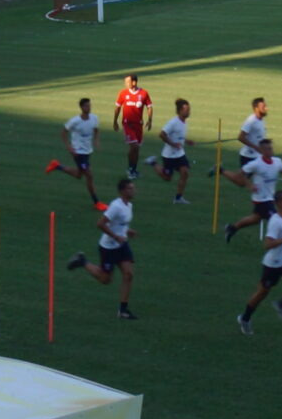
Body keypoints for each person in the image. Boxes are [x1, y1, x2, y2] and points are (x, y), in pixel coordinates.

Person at [64, 176, 140, 320]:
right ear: (122, 191)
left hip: (122, 245)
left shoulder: (129, 205)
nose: (134, 190)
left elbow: (120, 224)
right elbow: (100, 224)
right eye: (130, 188)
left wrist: (127, 231)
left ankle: (123, 310)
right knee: (105, 279)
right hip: (108, 247)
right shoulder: (116, 206)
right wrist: (116, 236)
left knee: (128, 274)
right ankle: (82, 261)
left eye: (133, 188)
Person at [239, 190, 282, 331]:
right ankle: (245, 318)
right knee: (262, 293)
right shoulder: (275, 222)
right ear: (279, 203)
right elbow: (267, 244)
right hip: (273, 265)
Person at [224, 142, 282, 244]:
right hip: (261, 199)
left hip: (270, 197)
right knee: (275, 218)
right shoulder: (256, 164)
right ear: (263, 151)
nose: (271, 150)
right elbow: (241, 173)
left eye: (271, 148)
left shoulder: (277, 161)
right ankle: (281, 239)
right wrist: (249, 185)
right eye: (268, 149)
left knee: (255, 219)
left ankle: (232, 228)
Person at [47, 98, 102, 202]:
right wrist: (69, 147)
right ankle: (96, 202)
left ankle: (57, 166)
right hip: (78, 152)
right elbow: (63, 132)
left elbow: (96, 130)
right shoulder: (75, 121)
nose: (89, 108)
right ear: (81, 107)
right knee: (89, 175)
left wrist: (96, 140)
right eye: (86, 106)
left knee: (79, 175)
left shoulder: (94, 118)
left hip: (87, 151)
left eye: (89, 105)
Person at [113, 73, 154, 177]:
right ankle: (130, 169)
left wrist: (150, 120)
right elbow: (117, 107)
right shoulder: (123, 93)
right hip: (127, 124)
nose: (125, 84)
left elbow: (149, 106)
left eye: (127, 82)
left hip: (138, 125)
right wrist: (115, 121)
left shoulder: (144, 93)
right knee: (134, 146)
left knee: (137, 149)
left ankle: (133, 170)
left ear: (134, 82)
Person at [155, 98, 194, 203]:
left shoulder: (184, 122)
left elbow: (179, 136)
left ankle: (178, 197)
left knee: (185, 173)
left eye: (189, 109)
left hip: (180, 154)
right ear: (180, 111)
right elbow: (162, 134)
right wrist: (173, 144)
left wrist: (187, 141)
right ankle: (153, 163)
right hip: (169, 155)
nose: (188, 112)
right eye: (186, 110)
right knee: (167, 178)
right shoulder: (173, 122)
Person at [237, 96, 273, 166]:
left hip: (258, 156)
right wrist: (256, 147)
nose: (266, 109)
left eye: (265, 106)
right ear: (256, 108)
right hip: (248, 157)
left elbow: (257, 136)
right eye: (263, 107)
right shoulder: (251, 121)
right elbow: (241, 137)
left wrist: (266, 142)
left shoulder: (261, 120)